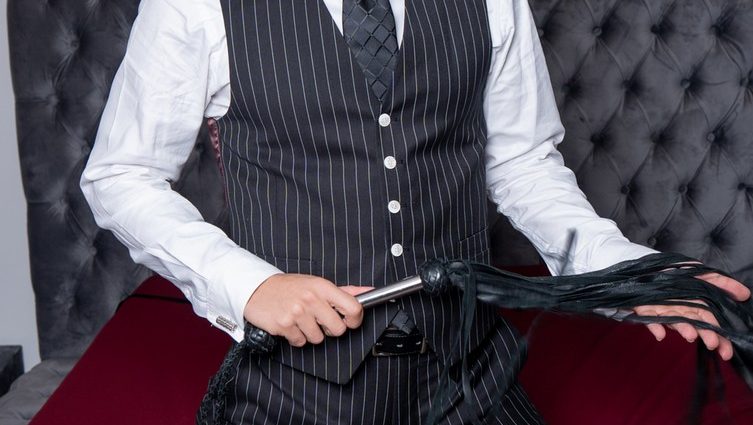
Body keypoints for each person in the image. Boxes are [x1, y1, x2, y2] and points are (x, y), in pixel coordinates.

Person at [81, 0, 750, 423]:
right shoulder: (194, 5)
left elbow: (523, 165)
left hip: (470, 375)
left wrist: (627, 275)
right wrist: (248, 285)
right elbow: (121, 175)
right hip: (295, 389)